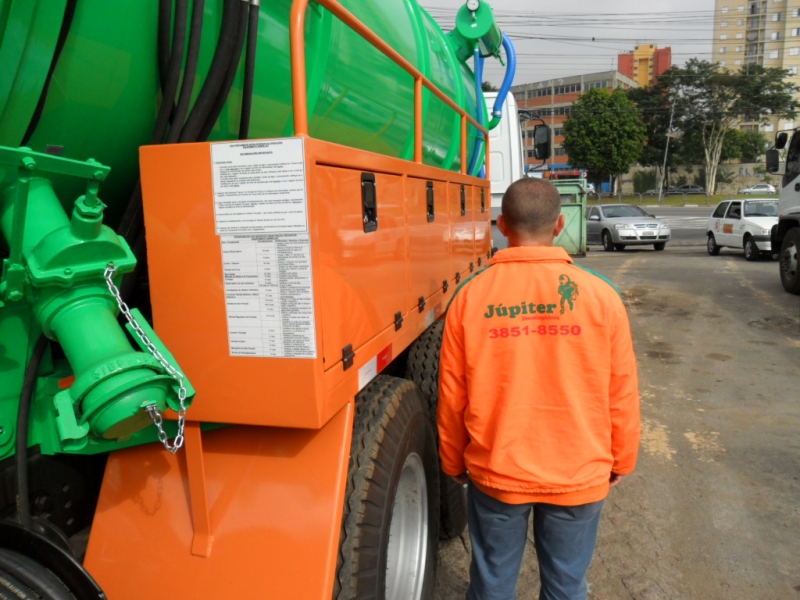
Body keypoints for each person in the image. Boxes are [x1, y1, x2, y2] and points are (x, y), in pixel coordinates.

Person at [437, 177, 640, 600]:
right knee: (567, 585)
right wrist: (621, 458)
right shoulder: (603, 297)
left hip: (497, 471)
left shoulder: (470, 298)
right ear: (560, 224)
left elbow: (452, 395)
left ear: (501, 226)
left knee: (492, 582)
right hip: (579, 471)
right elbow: (620, 389)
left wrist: (454, 461)